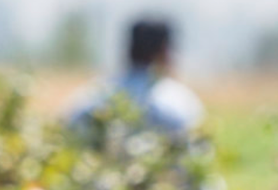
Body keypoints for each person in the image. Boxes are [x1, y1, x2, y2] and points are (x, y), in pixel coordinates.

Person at [68, 17, 204, 136]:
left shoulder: (94, 94)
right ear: (164, 52)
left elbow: (68, 128)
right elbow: (195, 146)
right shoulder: (178, 101)